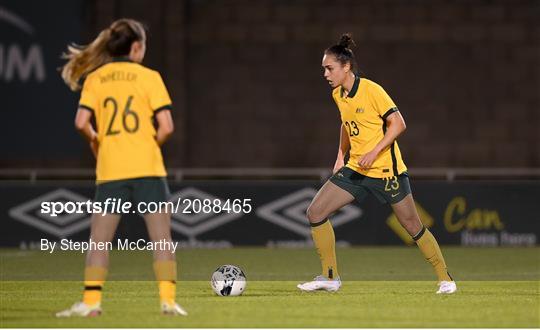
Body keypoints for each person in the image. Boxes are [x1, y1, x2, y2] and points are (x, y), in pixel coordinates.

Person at [297, 34, 457, 294]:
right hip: (356, 170)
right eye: (323, 69)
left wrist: (374, 151)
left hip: (387, 172)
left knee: (412, 226)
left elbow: (399, 124)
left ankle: (446, 279)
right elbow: (346, 125)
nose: (325, 74)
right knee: (315, 212)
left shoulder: (372, 90)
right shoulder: (338, 94)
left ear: (346, 67)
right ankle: (330, 277)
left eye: (329, 68)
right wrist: (340, 155)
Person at [56, 18, 187, 317]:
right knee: (162, 238)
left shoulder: (96, 79)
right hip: (148, 168)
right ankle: (168, 302)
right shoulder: (150, 77)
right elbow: (166, 126)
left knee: (99, 240)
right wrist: (149, 142)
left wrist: (96, 140)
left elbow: (80, 123)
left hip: (111, 169)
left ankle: (91, 303)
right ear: (137, 47)